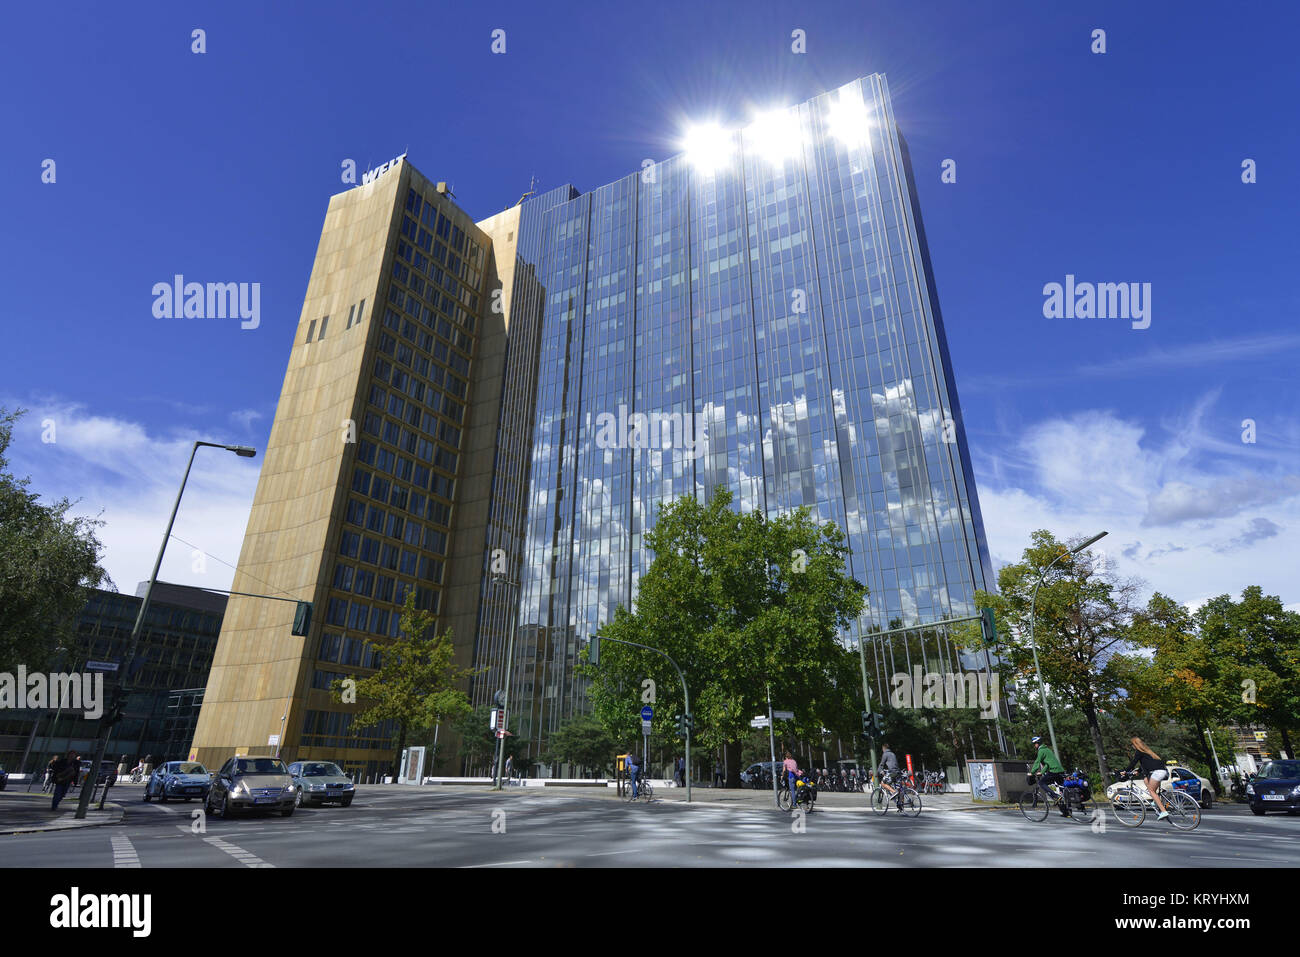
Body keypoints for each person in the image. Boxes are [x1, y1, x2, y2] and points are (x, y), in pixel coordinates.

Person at [1122, 736, 1171, 820]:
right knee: (1145, 780)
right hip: (1163, 771)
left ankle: (1163, 811)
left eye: (1132, 744)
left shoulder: (1139, 752)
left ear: (1135, 744)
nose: (1132, 746)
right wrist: (1139, 771)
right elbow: (1146, 764)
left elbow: (1133, 762)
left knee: (1151, 791)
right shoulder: (1148, 752)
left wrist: (1125, 771)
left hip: (1157, 773)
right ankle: (1155, 802)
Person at [1028, 735, 1070, 816]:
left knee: (1041, 783)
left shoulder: (1041, 751)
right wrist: (1042, 771)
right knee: (1061, 790)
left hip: (1054, 770)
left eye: (1035, 744)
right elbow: (1047, 764)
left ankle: (1056, 797)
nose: (1034, 745)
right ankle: (1066, 812)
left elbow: (1037, 762)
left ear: (1038, 743)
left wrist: (1032, 772)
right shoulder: (1047, 749)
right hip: (1059, 770)